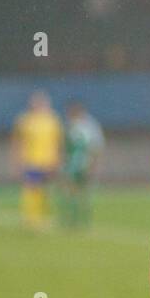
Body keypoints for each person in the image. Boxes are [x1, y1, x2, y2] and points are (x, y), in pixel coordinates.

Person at [10, 91, 64, 230]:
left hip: (49, 160)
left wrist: (58, 159)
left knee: (46, 190)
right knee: (31, 189)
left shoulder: (53, 119)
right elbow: (18, 142)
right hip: (31, 160)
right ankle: (31, 217)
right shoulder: (25, 120)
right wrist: (17, 161)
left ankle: (44, 216)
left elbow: (58, 142)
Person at [60, 101, 105, 229]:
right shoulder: (72, 126)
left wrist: (94, 164)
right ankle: (75, 219)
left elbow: (95, 148)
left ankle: (78, 220)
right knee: (76, 192)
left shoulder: (86, 127)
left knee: (77, 192)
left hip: (80, 164)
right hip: (77, 164)